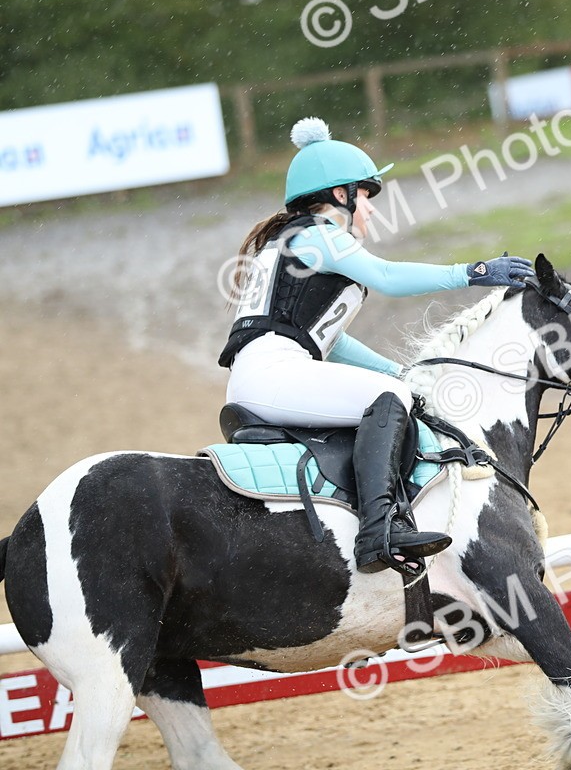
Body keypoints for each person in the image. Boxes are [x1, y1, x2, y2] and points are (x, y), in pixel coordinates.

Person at [219, 117, 534, 575]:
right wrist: (474, 272)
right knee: (393, 401)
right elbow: (386, 277)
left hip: (266, 374)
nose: (369, 209)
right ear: (340, 195)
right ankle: (379, 529)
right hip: (274, 372)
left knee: (397, 389)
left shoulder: (290, 242)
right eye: (366, 195)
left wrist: (399, 371)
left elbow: (331, 340)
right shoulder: (319, 235)